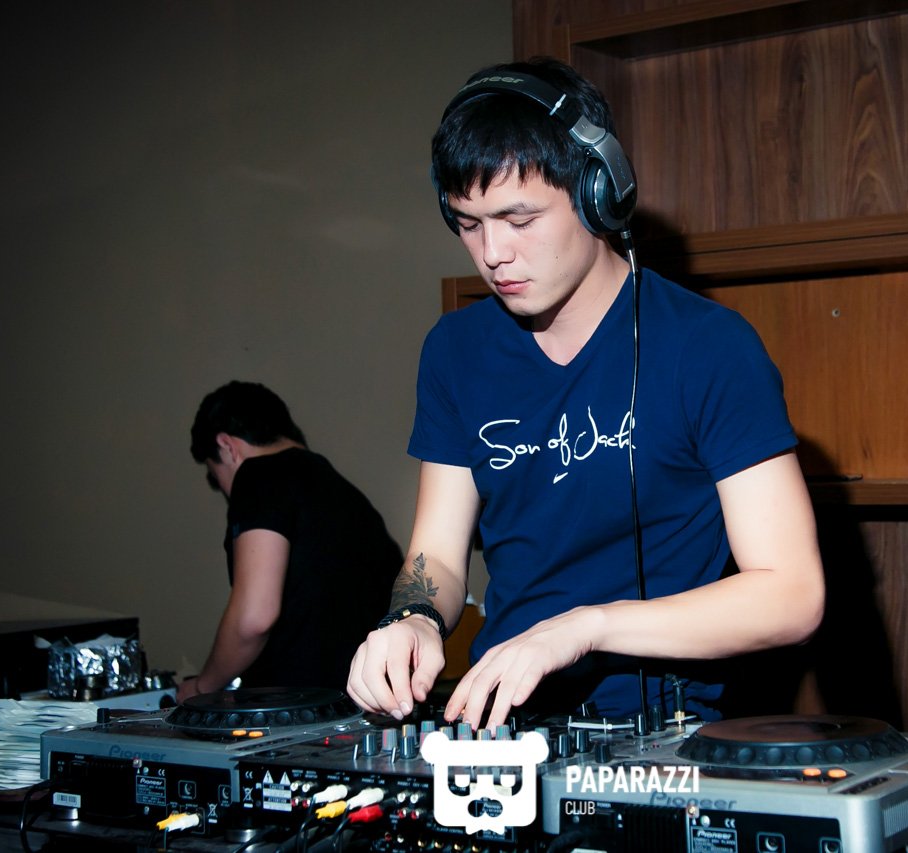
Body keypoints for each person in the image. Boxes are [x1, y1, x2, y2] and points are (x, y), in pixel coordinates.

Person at [347, 58, 824, 731]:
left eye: (518, 219)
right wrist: (413, 618)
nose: (492, 254)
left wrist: (585, 627)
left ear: (600, 193)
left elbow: (791, 594)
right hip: (501, 722)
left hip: (658, 734)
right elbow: (438, 556)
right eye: (468, 223)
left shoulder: (709, 346)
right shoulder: (453, 350)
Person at [177, 381, 401, 701]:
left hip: (292, 709)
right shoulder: (344, 493)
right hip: (363, 701)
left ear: (226, 445)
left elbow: (254, 617)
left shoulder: (257, 475)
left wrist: (203, 687)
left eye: (217, 476)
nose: (226, 491)